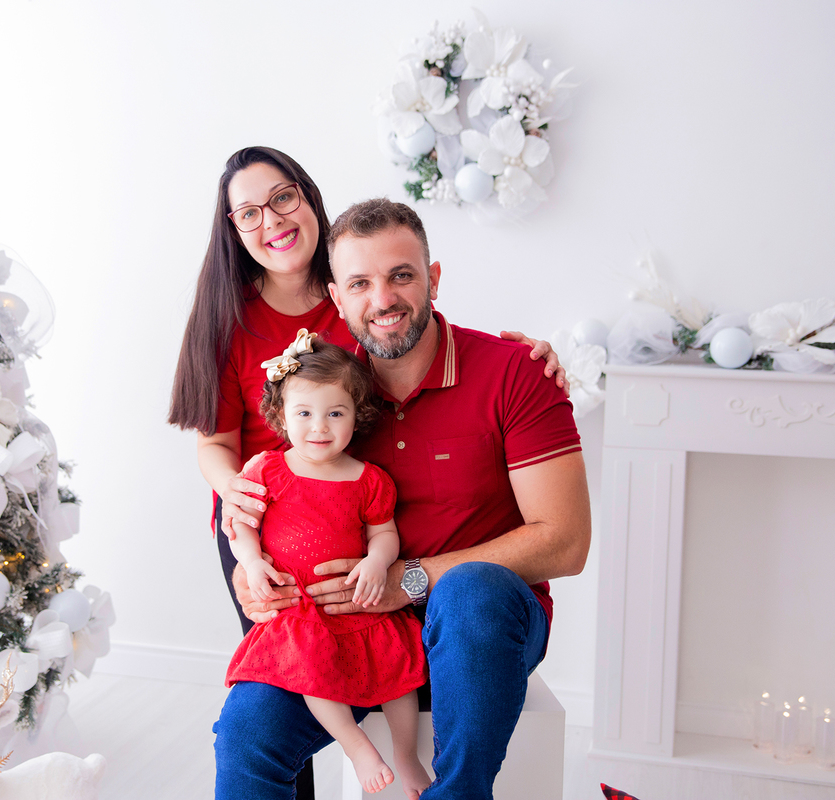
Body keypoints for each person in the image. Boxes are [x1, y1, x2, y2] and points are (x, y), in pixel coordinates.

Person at [213, 199, 592, 799]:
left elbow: (567, 542)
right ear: (337, 299)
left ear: (434, 279)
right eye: (360, 283)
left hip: (479, 628)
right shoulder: (326, 398)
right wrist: (252, 571)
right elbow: (262, 500)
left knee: (471, 590)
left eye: (402, 276)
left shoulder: (515, 373)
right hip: (345, 631)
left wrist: (409, 580)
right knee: (245, 731)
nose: (382, 299)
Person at [167, 146, 567, 637]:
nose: (271, 221)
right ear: (234, 229)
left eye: (283, 199)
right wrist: (237, 497)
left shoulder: (360, 292)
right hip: (263, 518)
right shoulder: (224, 322)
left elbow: (422, 336)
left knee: (362, 652)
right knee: (290, 667)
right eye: (250, 213)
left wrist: (523, 361)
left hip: (348, 507)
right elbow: (215, 444)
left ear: (308, 198)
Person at [224, 333, 430, 797]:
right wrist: (253, 565)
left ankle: (406, 754)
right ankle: (357, 747)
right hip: (299, 608)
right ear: (281, 415)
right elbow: (240, 527)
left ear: (358, 416)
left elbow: (384, 534)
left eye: (335, 413)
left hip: (357, 601)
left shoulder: (368, 479)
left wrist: (378, 563)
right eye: (304, 414)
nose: (319, 427)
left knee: (400, 670)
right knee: (311, 671)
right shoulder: (267, 470)